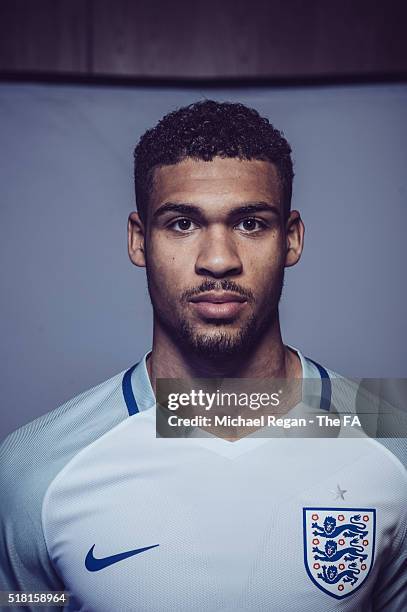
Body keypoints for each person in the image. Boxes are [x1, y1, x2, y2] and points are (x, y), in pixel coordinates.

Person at [0, 100, 405, 611]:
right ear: (139, 240)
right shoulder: (34, 470)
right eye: (182, 224)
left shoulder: (392, 443)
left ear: (292, 239)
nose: (219, 260)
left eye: (252, 223)